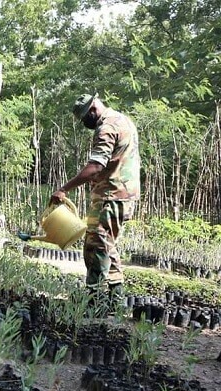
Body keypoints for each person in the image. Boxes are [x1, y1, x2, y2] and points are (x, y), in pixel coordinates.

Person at [50, 93, 140, 305]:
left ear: (92, 110)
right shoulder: (123, 119)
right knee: (107, 244)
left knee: (96, 245)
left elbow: (96, 167)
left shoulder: (106, 128)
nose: (84, 124)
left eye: (84, 119)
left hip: (111, 194)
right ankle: (115, 298)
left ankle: (94, 298)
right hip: (124, 194)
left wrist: (64, 189)